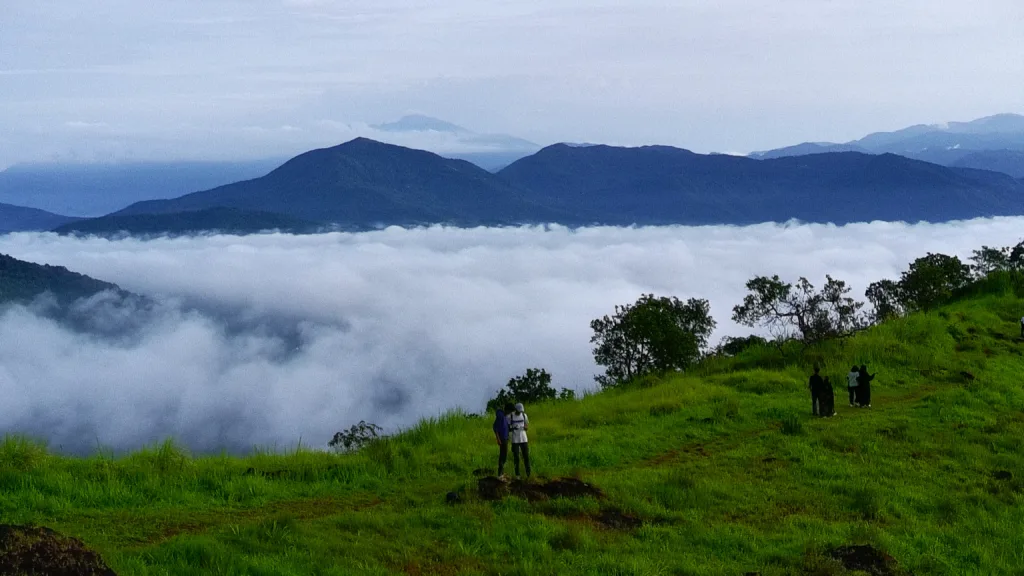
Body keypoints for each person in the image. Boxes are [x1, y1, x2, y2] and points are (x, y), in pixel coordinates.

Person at [508, 402, 531, 478]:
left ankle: (528, 474)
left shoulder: (524, 415)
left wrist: (525, 428)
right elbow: (508, 428)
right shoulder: (511, 416)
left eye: (521, 411)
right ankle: (517, 474)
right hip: (515, 440)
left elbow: (526, 425)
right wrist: (513, 428)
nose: (520, 412)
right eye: (519, 411)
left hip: (524, 439)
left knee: (526, 456)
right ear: (516, 409)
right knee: (516, 457)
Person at [493, 403, 511, 477]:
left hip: (505, 438)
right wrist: (498, 439)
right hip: (502, 438)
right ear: (507, 410)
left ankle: (501, 473)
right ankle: (500, 473)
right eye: (510, 411)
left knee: (504, 456)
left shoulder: (505, 417)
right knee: (502, 456)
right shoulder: (500, 416)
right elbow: (495, 428)